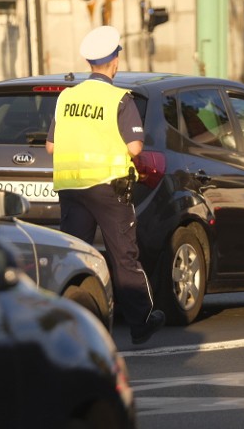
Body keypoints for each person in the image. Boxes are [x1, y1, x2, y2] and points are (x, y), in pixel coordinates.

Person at [45, 25, 165, 345]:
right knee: (123, 255)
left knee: (74, 256)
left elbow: (52, 147)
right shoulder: (118, 98)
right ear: (115, 62)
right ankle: (141, 323)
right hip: (109, 188)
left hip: (71, 188)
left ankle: (69, 320)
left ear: (90, 63)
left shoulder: (67, 97)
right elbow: (136, 148)